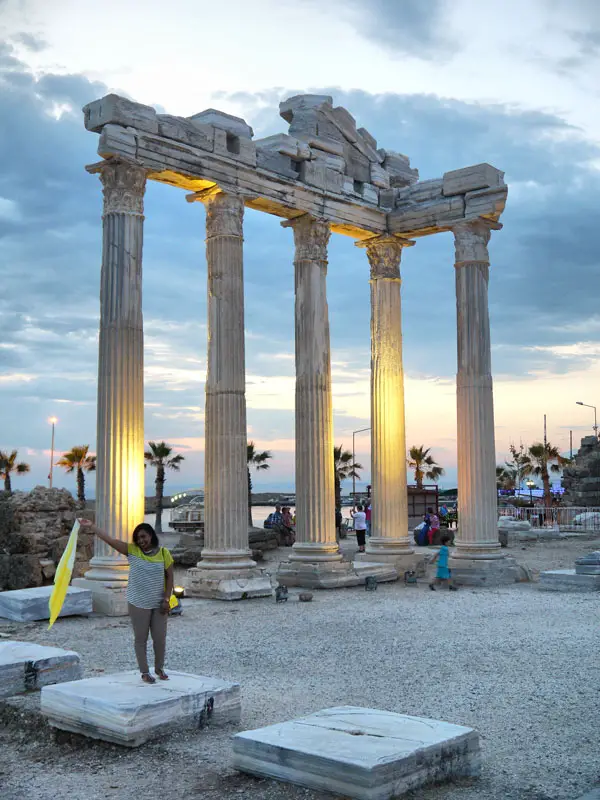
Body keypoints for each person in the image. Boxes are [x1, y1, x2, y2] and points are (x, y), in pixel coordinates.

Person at [80, 519, 174, 683]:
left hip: (159, 603)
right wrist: (92, 526)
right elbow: (110, 540)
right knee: (140, 638)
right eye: (138, 538)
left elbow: (170, 577)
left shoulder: (164, 553)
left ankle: (159, 668)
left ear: (151, 535)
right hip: (138, 602)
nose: (141, 541)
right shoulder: (132, 551)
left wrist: (167, 598)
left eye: (144, 536)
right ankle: (144, 672)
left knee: (159, 638)